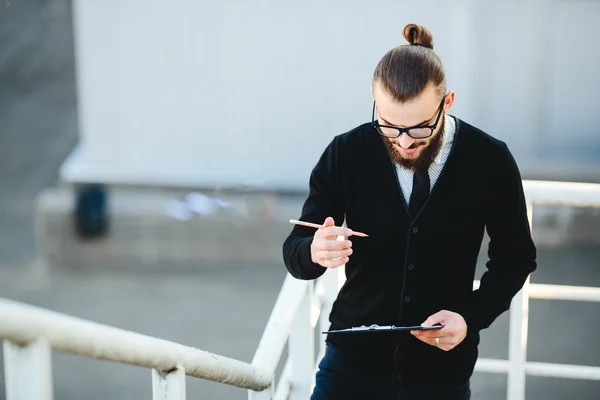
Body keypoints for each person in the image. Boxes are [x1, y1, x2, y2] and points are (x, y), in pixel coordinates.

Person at [282, 23, 537, 400]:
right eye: (388, 125)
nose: (403, 142)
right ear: (373, 97)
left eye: (419, 129)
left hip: (441, 370)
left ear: (447, 103)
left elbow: (516, 258)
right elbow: (296, 250)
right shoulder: (345, 152)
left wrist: (470, 317)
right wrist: (313, 250)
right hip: (350, 360)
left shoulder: (491, 160)